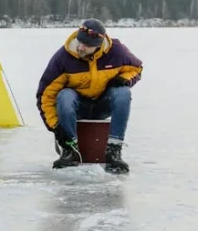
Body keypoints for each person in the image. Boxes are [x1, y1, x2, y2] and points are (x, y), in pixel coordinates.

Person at [35, 18, 143, 173]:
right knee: (64, 95)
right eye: (80, 41)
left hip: (102, 104)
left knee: (123, 93)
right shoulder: (63, 58)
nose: (81, 47)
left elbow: (137, 68)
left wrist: (123, 80)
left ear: (98, 46)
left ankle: (114, 150)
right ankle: (69, 150)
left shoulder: (117, 51)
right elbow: (45, 95)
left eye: (87, 45)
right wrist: (56, 127)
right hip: (77, 106)